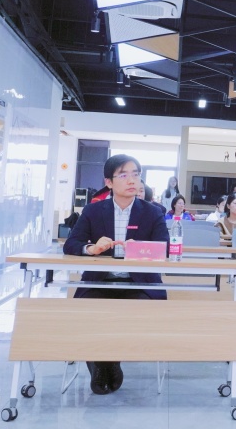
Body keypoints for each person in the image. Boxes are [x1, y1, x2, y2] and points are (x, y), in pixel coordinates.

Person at [62, 154, 169, 395]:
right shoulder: (92, 210)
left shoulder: (153, 212)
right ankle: (103, 364)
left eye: (136, 175)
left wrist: (140, 249)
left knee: (132, 316)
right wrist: (91, 248)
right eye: (123, 175)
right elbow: (71, 244)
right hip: (99, 283)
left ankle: (108, 361)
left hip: (140, 284)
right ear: (109, 182)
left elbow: (164, 248)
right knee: (89, 312)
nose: (132, 180)